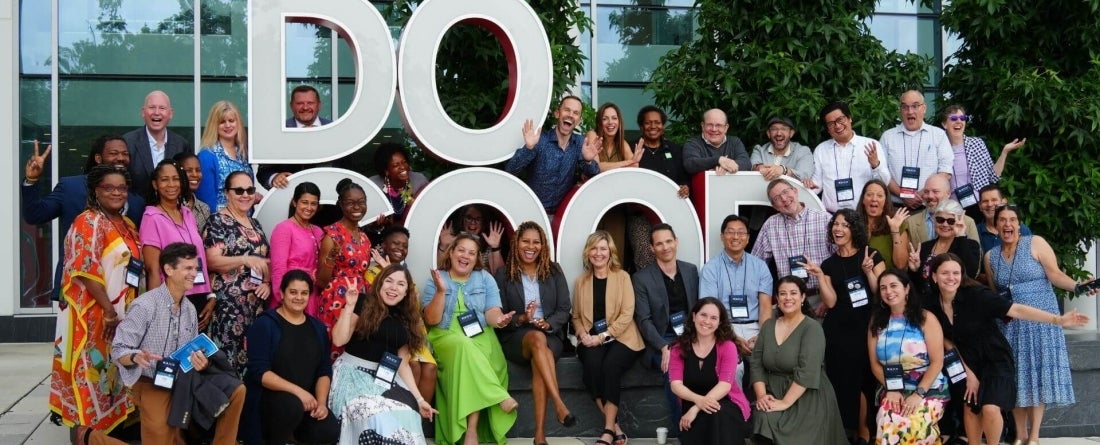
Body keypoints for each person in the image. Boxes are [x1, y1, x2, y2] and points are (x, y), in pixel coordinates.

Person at [926, 253, 1088, 445]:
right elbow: (947, 340)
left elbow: (1016, 310)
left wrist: (1058, 320)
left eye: (956, 272)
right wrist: (968, 373)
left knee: (990, 408)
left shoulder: (977, 296)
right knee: (970, 406)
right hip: (964, 362)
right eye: (945, 273)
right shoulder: (931, 304)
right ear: (934, 276)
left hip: (994, 358)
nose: (951, 278)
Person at [110, 242, 246, 445]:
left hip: (184, 379)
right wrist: (135, 356)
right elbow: (118, 349)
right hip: (151, 381)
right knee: (161, 438)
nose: (194, 273)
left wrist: (201, 362)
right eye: (188, 268)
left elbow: (190, 352)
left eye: (195, 268)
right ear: (169, 269)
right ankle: (92, 439)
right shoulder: (145, 305)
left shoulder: (190, 309)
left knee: (237, 390)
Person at [48, 164, 141, 442]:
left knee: (113, 382)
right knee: (89, 381)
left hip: (121, 319)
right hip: (93, 319)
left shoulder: (127, 225)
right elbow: (86, 271)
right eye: (108, 188)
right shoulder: (87, 222)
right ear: (95, 191)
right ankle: (86, 438)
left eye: (121, 188)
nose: (116, 192)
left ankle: (107, 438)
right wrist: (110, 312)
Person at [984, 205, 1087, 444]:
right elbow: (993, 293)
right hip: (1010, 324)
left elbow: (1055, 274)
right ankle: (1019, 434)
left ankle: (1035, 435)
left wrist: (1078, 287)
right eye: (1002, 220)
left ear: (1019, 224)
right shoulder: (990, 257)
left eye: (1012, 220)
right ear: (996, 225)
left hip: (1042, 320)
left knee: (1037, 374)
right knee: (1017, 376)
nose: (1007, 224)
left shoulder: (1035, 242)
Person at [422, 233, 518, 445]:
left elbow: (492, 310)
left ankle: (471, 431)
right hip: (446, 334)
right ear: (452, 252)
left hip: (480, 332)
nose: (465, 256)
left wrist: (499, 320)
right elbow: (431, 319)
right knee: (465, 347)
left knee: (476, 355)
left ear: (477, 259)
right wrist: (441, 291)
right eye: (461, 250)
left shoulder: (485, 278)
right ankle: (499, 396)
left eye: (472, 253)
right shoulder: (437, 279)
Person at [21, 137, 144, 301]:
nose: (120, 158)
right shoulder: (71, 187)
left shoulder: (135, 200)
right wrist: (31, 180)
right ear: (98, 158)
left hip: (121, 293)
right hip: (76, 291)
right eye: (113, 153)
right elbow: (35, 215)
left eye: (124, 154)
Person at [802, 209, 885, 444]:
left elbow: (882, 292)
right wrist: (819, 275)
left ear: (854, 229)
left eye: (844, 225)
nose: (838, 229)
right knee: (843, 380)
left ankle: (865, 432)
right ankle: (848, 431)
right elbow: (830, 302)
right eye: (835, 225)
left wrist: (869, 272)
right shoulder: (828, 264)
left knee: (866, 380)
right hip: (838, 329)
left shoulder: (871, 255)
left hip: (867, 325)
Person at [331, 265, 436, 444]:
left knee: (408, 413)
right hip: (352, 375)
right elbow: (339, 340)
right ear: (379, 284)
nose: (393, 287)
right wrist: (348, 307)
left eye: (400, 284)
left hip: (384, 378)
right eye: (389, 281)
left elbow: (402, 362)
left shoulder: (406, 318)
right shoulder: (362, 302)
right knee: (375, 414)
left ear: (406, 291)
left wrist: (419, 399)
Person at [494, 221, 576, 445]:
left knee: (542, 353)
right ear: (517, 243)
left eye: (536, 242)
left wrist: (548, 324)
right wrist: (523, 318)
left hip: (550, 334)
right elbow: (499, 314)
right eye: (526, 241)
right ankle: (559, 405)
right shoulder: (504, 274)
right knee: (538, 342)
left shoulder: (553, 271)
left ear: (543, 245)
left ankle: (539, 436)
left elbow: (563, 308)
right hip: (517, 336)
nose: (531, 246)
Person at [242, 270, 339, 445]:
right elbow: (259, 372)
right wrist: (299, 392)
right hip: (270, 400)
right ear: (281, 293)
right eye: (293, 292)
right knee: (291, 407)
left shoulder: (317, 328)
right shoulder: (265, 324)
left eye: (304, 293)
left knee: (328, 429)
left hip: (304, 402)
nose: (298, 297)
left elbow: (324, 369)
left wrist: (322, 404)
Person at [751, 275, 848, 445]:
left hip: (806, 396)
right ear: (777, 298)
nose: (788, 298)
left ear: (803, 297)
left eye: (793, 293)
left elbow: (808, 370)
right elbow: (756, 363)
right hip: (772, 392)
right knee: (763, 416)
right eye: (783, 294)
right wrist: (762, 396)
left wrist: (784, 403)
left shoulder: (812, 328)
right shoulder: (768, 326)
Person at [572, 230, 644, 445]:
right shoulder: (581, 282)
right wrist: (582, 334)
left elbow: (626, 315)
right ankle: (615, 427)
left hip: (622, 337)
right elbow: (575, 316)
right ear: (588, 252)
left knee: (610, 366)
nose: (598, 253)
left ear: (610, 251)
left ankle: (607, 430)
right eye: (594, 248)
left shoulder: (623, 277)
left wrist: (602, 336)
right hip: (591, 339)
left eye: (603, 248)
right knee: (592, 368)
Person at [868, 270, 949, 444]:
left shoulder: (926, 318)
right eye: (883, 288)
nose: (888, 291)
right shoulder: (877, 321)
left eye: (893, 285)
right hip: (891, 387)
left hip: (927, 389)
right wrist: (892, 389)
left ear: (906, 289)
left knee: (915, 424)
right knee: (889, 420)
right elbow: (874, 363)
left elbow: (937, 362)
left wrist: (918, 394)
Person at [203, 171, 271, 376]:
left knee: (251, 364)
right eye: (239, 190)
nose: (245, 195)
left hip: (254, 308)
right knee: (227, 366)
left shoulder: (255, 224)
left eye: (250, 190)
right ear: (226, 193)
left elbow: (263, 260)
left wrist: (266, 283)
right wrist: (243, 259)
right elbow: (211, 261)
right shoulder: (217, 221)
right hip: (228, 308)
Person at [632, 223, 699, 430]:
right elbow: (644, 320)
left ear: (676, 242)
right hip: (662, 340)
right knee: (674, 370)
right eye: (659, 244)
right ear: (652, 248)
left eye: (669, 241)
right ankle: (684, 432)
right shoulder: (641, 278)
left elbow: (698, 309)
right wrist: (663, 346)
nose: (665, 247)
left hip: (691, 336)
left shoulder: (690, 270)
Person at [363, 226, 438, 407]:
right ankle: (408, 416)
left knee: (431, 368)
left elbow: (413, 305)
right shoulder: (372, 273)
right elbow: (385, 306)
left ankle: (419, 421)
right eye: (396, 243)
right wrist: (387, 270)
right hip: (388, 333)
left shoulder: (406, 274)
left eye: (405, 246)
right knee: (413, 367)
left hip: (411, 332)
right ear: (384, 245)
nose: (400, 249)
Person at [139, 160, 215, 331]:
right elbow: (152, 269)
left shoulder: (187, 213)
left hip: (199, 296)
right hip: (172, 299)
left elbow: (200, 257)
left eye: (176, 179)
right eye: (165, 180)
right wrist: (159, 311)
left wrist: (210, 295)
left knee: (197, 355)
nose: (171, 184)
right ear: (155, 184)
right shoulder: (152, 217)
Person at [669, 297, 751, 444]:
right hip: (692, 403)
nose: (707, 321)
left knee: (717, 414)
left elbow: (725, 385)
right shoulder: (678, 347)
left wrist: (696, 408)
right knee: (708, 418)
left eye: (714, 318)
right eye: (703, 315)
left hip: (725, 404)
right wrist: (698, 401)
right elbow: (675, 385)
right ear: (694, 316)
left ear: (719, 323)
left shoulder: (728, 346)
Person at [505, 95, 600, 215]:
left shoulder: (580, 143)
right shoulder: (539, 140)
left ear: (579, 121)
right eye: (567, 110)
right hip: (533, 212)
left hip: (562, 216)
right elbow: (510, 170)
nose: (570, 115)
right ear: (557, 113)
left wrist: (588, 161)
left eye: (575, 113)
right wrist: (528, 148)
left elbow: (594, 176)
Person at [699, 215, 773, 360]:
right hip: (724, 328)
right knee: (733, 366)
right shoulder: (710, 269)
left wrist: (762, 336)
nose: (735, 237)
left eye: (741, 232)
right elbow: (710, 310)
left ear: (748, 238)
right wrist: (732, 337)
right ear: (722, 236)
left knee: (768, 361)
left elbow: (765, 306)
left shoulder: (760, 266)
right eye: (730, 232)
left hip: (755, 328)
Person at [752, 179, 832, 298]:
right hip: (789, 300)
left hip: (821, 296)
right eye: (777, 198)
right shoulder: (771, 225)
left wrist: (830, 295)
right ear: (774, 207)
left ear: (795, 191)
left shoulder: (824, 219)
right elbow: (756, 265)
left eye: (785, 192)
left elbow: (840, 259)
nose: (784, 199)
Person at [316, 179, 373, 343]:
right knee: (335, 347)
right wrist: (331, 258)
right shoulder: (332, 235)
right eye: (350, 203)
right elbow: (321, 281)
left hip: (360, 300)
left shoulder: (364, 237)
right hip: (337, 299)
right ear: (340, 204)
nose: (357, 207)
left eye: (361, 202)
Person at [634, 106, 690, 270]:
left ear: (663, 125)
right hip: (640, 215)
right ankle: (646, 290)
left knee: (669, 253)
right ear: (641, 126)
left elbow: (684, 177)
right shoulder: (632, 148)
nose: (653, 126)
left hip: (670, 212)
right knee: (644, 256)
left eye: (657, 122)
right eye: (648, 123)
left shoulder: (674, 149)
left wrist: (686, 186)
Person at [808, 101, 891, 213]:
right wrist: (807, 185)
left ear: (849, 118)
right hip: (832, 217)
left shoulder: (871, 145)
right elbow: (816, 185)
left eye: (840, 120)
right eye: (831, 123)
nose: (837, 126)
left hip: (863, 215)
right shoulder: (821, 150)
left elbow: (884, 183)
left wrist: (875, 165)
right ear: (827, 129)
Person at [587, 102, 643, 268]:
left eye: (614, 118)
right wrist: (628, 161)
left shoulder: (622, 143)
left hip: (615, 206)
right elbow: (597, 168)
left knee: (614, 253)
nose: (610, 122)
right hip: (591, 203)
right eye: (605, 118)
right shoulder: (592, 136)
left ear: (619, 121)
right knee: (592, 251)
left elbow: (635, 167)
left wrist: (630, 162)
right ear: (599, 122)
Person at [939, 105, 1025, 207]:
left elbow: (993, 176)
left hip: (980, 204)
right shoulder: (939, 148)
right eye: (953, 118)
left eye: (962, 118)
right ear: (944, 124)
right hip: (951, 207)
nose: (959, 121)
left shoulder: (977, 143)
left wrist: (1005, 152)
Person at [880, 90, 954, 208]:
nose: (910, 111)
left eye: (915, 106)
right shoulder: (888, 137)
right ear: (900, 110)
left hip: (929, 206)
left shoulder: (938, 135)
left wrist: (922, 194)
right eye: (905, 107)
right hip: (896, 207)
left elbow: (946, 170)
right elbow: (882, 172)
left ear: (924, 108)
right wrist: (903, 195)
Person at [256, 85, 335, 190]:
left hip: (329, 197)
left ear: (319, 105)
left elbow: (346, 166)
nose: (305, 107)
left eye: (310, 103)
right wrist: (274, 178)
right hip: (290, 199)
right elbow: (263, 171)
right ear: (291, 106)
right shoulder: (278, 132)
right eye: (300, 103)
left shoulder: (333, 129)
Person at [123, 90, 192, 199]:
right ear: (143, 112)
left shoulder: (182, 145)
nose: (156, 112)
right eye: (152, 107)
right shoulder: (127, 142)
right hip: (135, 213)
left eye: (162, 108)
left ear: (170, 113)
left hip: (171, 212)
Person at [269, 182, 324, 315]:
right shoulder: (284, 228)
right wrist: (282, 299)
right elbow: (278, 268)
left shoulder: (317, 231)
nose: (309, 207)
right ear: (294, 202)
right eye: (304, 202)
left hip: (312, 294)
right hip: (291, 294)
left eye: (313, 203)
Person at [908, 199, 982, 296]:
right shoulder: (924, 247)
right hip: (927, 303)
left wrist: (961, 236)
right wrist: (914, 270)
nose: (945, 224)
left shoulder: (970, 245)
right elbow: (917, 284)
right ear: (935, 221)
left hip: (957, 302)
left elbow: (970, 273)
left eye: (951, 221)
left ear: (959, 222)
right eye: (940, 220)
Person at [196, 100, 254, 211]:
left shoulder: (243, 154)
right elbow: (206, 203)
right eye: (222, 122)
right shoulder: (207, 156)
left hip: (246, 221)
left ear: (238, 123)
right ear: (214, 125)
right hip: (220, 224)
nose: (227, 125)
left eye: (231, 120)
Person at [904, 174, 980, 247]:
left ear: (948, 193)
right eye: (926, 192)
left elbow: (977, 256)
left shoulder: (968, 222)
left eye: (935, 191)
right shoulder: (911, 222)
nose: (930, 196)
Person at [367, 143, 430, 226]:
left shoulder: (419, 180)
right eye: (396, 165)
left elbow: (426, 210)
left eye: (404, 162)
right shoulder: (373, 185)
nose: (402, 167)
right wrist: (375, 223)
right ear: (386, 170)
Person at [857, 179, 911, 269]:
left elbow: (901, 264)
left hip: (887, 280)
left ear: (886, 201)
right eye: (869, 194)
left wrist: (895, 230)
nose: (874, 199)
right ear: (863, 200)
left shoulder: (898, 224)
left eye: (880, 195)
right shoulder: (853, 224)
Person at [438, 204, 506, 274]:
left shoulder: (488, 243)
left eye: (478, 219)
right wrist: (443, 246)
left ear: (483, 223)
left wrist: (495, 248)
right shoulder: (451, 240)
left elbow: (500, 277)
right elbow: (439, 269)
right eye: (469, 218)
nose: (473, 222)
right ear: (462, 219)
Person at [682, 109, 750, 175]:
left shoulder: (735, 142)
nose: (714, 129)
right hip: (703, 186)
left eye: (719, 125)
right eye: (709, 125)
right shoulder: (692, 143)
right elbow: (690, 164)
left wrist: (727, 166)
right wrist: (718, 160)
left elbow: (746, 163)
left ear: (726, 128)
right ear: (703, 126)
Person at [750, 117, 815, 181]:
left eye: (784, 129)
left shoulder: (803, 151)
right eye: (774, 129)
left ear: (791, 133)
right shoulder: (759, 150)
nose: (778, 133)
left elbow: (805, 175)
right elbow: (753, 168)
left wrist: (783, 170)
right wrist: (759, 168)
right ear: (768, 133)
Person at [975, 184, 1031, 254]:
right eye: (985, 201)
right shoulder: (975, 232)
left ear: (1003, 202)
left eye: (994, 200)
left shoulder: (1020, 229)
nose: (989, 204)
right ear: (980, 206)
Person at [173, 151, 212, 233]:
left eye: (198, 170)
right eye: (189, 170)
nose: (195, 174)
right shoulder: (170, 206)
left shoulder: (204, 209)